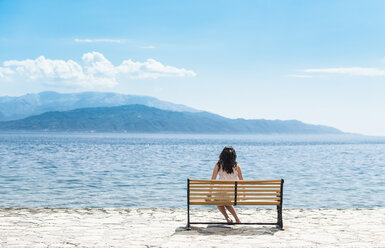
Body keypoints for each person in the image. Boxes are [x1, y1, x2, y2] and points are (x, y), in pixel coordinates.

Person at [211, 146, 243, 223]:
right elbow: (242, 181)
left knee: (217, 201)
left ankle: (227, 218)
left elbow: (213, 180)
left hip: (222, 192)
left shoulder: (218, 164)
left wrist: (209, 194)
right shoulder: (237, 165)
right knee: (225, 201)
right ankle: (237, 219)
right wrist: (244, 194)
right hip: (233, 193)